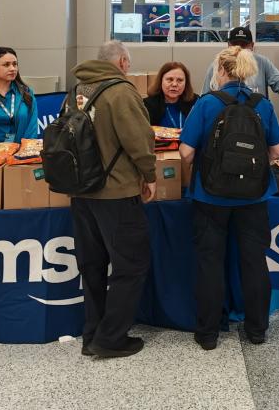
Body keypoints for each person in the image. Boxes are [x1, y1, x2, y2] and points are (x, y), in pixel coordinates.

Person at [180, 46, 279, 351]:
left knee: (210, 263)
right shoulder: (261, 104)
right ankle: (257, 330)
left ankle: (208, 333)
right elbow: (278, 151)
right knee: (254, 263)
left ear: (221, 71)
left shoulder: (206, 103)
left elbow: (186, 152)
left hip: (210, 197)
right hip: (254, 198)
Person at [70, 40, 156, 359]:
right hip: (116, 191)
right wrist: (149, 176)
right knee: (130, 264)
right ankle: (111, 338)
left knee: (92, 265)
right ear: (121, 62)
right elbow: (139, 140)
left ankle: (91, 334)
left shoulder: (78, 90)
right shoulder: (121, 92)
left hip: (81, 191)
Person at [201, 26, 279, 120]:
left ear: (252, 46)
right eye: (235, 45)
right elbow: (204, 100)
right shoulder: (217, 66)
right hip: (225, 129)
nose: (239, 50)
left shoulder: (262, 62)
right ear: (228, 45)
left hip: (257, 127)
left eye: (243, 45)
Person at [144, 61, 198, 129]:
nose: (174, 84)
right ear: (161, 81)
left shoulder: (196, 103)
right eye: (170, 79)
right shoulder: (147, 105)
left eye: (180, 80)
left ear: (186, 83)